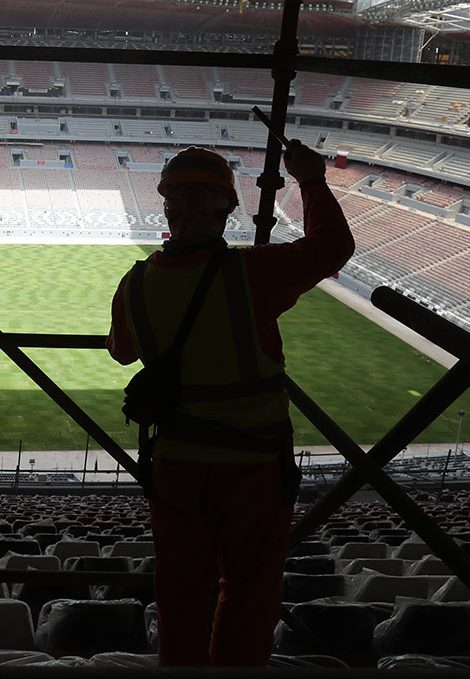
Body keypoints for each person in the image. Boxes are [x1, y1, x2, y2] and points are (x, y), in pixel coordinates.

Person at [106, 144, 353, 668]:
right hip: (253, 466)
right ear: (229, 208)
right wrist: (310, 178)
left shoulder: (135, 283)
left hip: (175, 464)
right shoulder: (254, 272)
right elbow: (332, 247)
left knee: (180, 594)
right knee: (248, 593)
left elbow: (122, 351)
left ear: (166, 208)